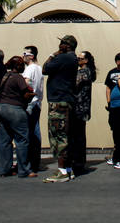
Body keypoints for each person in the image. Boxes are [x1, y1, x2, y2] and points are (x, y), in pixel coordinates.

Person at [42, 35, 78, 183]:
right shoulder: (72, 58)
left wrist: (52, 55)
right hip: (66, 100)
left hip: (58, 102)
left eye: (61, 43)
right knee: (65, 135)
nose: (59, 45)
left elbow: (45, 69)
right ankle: (68, 170)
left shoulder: (63, 58)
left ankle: (62, 171)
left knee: (58, 135)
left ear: (66, 45)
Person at [0, 56, 34, 178]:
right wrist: (32, 94)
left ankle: (4, 169)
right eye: (21, 64)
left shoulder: (5, 76)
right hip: (15, 110)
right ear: (18, 66)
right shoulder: (18, 78)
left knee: (5, 140)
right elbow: (25, 94)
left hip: (2, 109)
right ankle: (24, 169)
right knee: (22, 140)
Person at [70, 51, 95, 175]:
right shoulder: (85, 72)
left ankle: (78, 162)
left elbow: (73, 84)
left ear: (86, 60)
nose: (77, 60)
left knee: (77, 136)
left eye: (80, 58)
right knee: (78, 136)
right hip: (81, 108)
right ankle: (79, 161)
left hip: (79, 109)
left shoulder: (84, 72)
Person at [22, 45, 44, 173]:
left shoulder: (30, 69)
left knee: (29, 132)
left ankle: (29, 161)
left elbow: (26, 83)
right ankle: (35, 161)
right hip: (37, 103)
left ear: (32, 56)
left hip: (30, 103)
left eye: (25, 53)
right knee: (35, 131)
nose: (23, 56)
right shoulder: (40, 69)